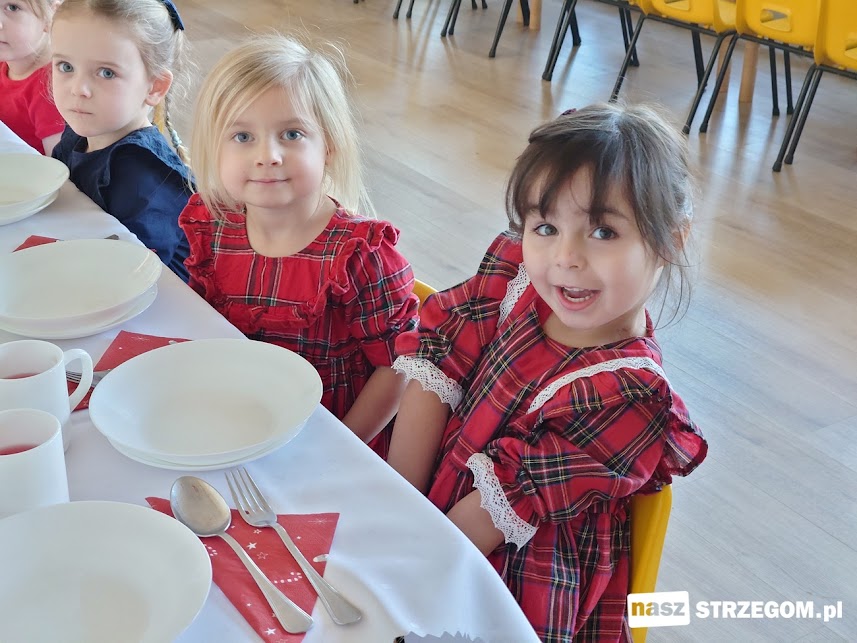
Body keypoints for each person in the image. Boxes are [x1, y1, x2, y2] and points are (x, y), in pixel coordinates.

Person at [387, 104, 708, 642]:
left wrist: (404, 567)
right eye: (546, 226)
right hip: (432, 516)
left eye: (603, 231)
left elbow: (493, 513)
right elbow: (437, 368)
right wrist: (397, 508)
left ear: (670, 240)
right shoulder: (516, 272)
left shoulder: (629, 394)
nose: (566, 256)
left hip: (511, 575)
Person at [179, 34, 420, 458]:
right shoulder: (212, 227)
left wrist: (338, 447)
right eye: (242, 136)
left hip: (330, 438)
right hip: (238, 421)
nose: (268, 155)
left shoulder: (362, 255)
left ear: (329, 146)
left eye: (291, 134)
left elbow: (397, 367)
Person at [49, 0, 192, 281]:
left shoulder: (144, 174)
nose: (78, 89)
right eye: (66, 66)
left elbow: (135, 275)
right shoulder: (80, 131)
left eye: (106, 73)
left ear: (155, 87)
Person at [0, 0, 64, 154]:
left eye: (13, 8)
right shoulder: (5, 59)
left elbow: (56, 166)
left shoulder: (51, 88)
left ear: (52, 17)